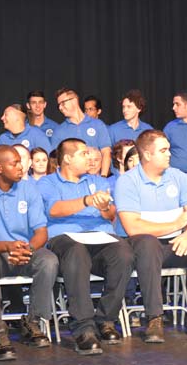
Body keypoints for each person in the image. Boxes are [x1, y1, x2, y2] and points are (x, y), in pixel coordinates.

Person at [114, 130, 187, 343]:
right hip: (143, 249)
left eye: (169, 149)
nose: (169, 154)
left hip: (178, 244)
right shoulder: (128, 182)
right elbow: (133, 227)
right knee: (147, 243)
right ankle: (154, 317)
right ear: (147, 154)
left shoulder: (179, 178)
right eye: (163, 150)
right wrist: (177, 223)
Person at [37, 139, 133, 355]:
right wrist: (87, 201)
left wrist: (103, 206)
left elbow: (110, 216)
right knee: (76, 251)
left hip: (100, 236)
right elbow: (54, 209)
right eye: (83, 154)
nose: (90, 158)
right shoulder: (47, 183)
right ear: (68, 159)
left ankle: (106, 319)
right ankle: (83, 328)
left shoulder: (98, 181)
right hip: (65, 239)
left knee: (124, 252)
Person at [0, 145, 59, 359]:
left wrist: (27, 249)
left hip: (25, 251)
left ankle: (33, 322)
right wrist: (7, 246)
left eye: (21, 162)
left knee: (49, 260)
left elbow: (41, 232)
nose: (21, 167)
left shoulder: (29, 190)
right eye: (15, 163)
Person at [51, 88, 112, 176]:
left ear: (75, 101)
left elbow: (106, 152)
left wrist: (103, 177)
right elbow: (55, 162)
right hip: (72, 183)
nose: (60, 107)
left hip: (96, 179)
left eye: (63, 103)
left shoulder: (98, 124)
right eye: (59, 105)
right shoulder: (59, 131)